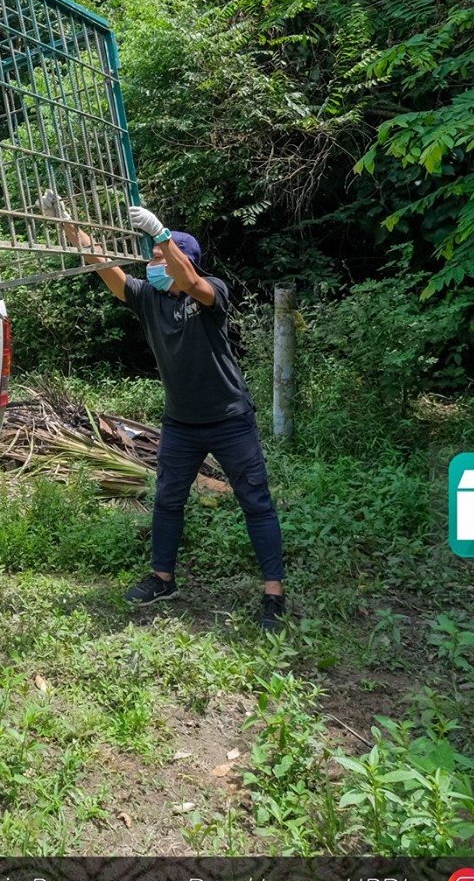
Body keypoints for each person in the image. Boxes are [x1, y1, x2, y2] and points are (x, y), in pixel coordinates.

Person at [40, 192, 288, 631]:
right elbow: (103, 265)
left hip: (231, 419)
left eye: (159, 256)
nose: (152, 264)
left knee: (256, 502)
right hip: (181, 424)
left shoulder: (213, 293)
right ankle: (162, 578)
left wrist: (161, 232)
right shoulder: (148, 299)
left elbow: (194, 284)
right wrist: (67, 224)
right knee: (168, 501)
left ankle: (273, 593)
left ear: (181, 258)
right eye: (152, 256)